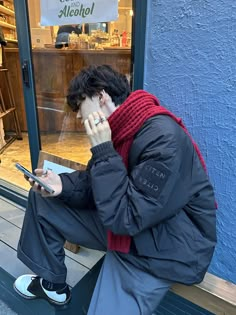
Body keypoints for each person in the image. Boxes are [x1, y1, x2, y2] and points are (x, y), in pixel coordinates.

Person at [13, 65, 217, 314]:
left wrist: (103, 151)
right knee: (43, 199)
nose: (77, 116)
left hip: (162, 248)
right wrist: (62, 184)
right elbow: (97, 183)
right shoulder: (123, 126)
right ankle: (52, 284)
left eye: (80, 105)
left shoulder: (163, 140)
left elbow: (126, 218)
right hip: (129, 222)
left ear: (101, 96)